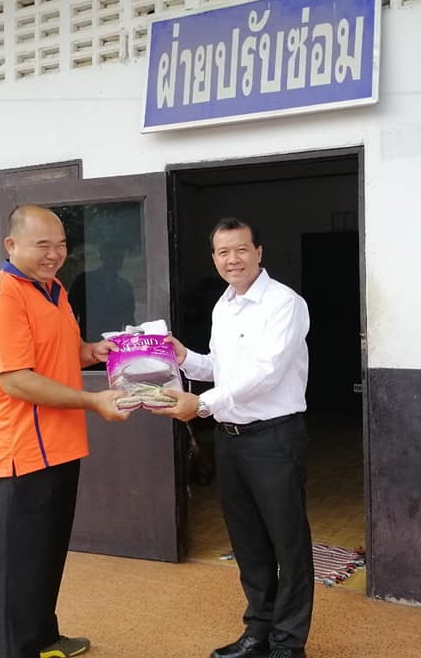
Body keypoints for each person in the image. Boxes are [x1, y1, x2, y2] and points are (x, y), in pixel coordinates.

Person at [0, 205, 129, 658]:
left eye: (61, 245)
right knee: (19, 566)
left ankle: (44, 639)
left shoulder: (54, 289)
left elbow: (60, 350)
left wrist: (92, 351)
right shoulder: (3, 298)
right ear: (11, 245)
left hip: (61, 444)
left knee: (47, 553)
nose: (54, 254)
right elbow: (17, 380)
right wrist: (93, 401)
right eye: (42, 245)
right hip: (22, 451)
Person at [155, 217, 313, 658]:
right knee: (248, 541)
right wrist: (184, 358)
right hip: (231, 439)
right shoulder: (223, 306)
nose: (233, 260)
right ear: (214, 258)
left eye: (241, 249)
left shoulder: (285, 303)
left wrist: (201, 405)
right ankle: (258, 632)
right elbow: (221, 369)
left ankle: (288, 644)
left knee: (288, 543)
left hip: (274, 438)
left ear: (259, 252)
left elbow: (266, 372)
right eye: (223, 252)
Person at [68, 242, 135, 341]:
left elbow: (129, 321)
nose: (116, 261)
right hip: (86, 342)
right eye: (112, 257)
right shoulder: (83, 280)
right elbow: (70, 315)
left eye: (120, 258)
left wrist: (132, 341)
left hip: (113, 343)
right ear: (102, 257)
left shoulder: (125, 287)